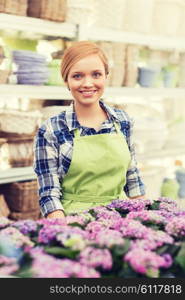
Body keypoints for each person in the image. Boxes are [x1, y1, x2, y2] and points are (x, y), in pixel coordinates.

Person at [34, 41, 145, 219]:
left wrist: (144, 221)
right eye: (77, 76)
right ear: (66, 81)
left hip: (121, 220)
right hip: (74, 222)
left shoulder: (122, 121)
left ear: (106, 77)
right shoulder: (51, 129)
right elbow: (49, 194)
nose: (88, 83)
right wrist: (67, 233)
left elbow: (133, 180)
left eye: (96, 74)